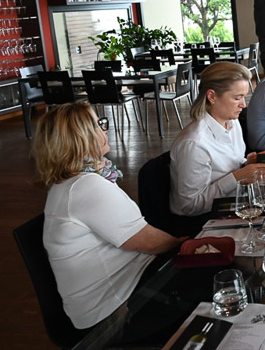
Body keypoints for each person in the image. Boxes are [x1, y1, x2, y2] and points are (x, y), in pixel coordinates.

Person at [36, 102, 185, 330]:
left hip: (122, 287)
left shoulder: (74, 182)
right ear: (81, 137)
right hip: (114, 310)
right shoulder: (86, 186)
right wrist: (187, 243)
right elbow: (149, 241)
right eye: (99, 124)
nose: (105, 128)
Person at [170, 62, 265, 217]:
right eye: (237, 98)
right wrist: (238, 177)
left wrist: (246, 164)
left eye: (244, 97)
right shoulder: (194, 143)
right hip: (204, 219)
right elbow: (189, 206)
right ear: (212, 96)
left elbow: (228, 165)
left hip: (235, 203)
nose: (243, 105)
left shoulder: (232, 122)